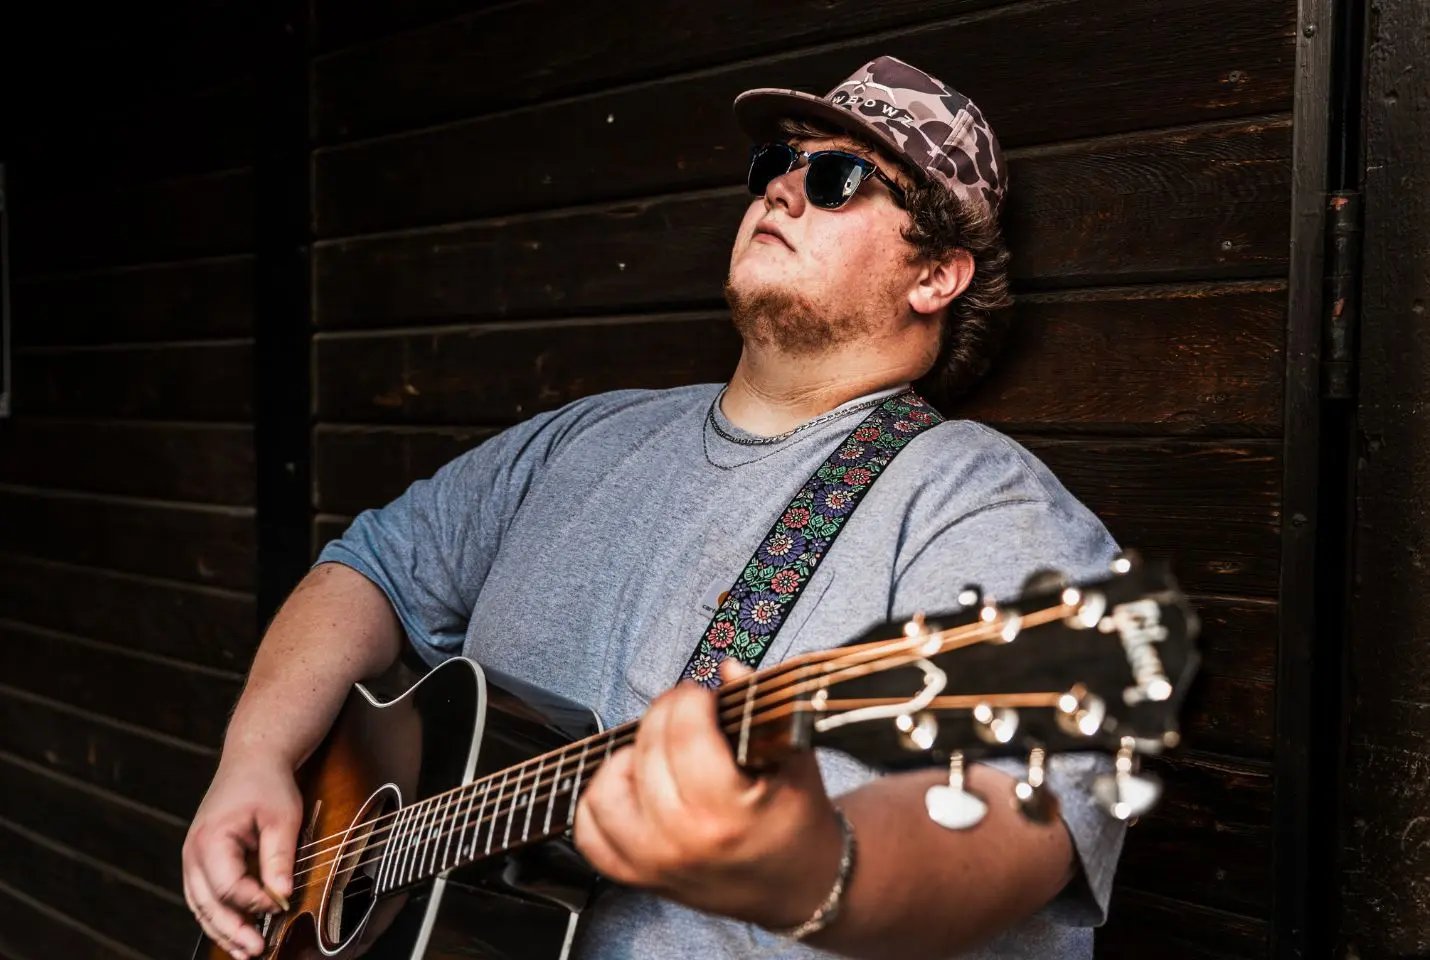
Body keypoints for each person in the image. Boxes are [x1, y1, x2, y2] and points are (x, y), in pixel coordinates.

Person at [182, 55, 1124, 960]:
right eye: (774, 166)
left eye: (838, 178)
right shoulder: (584, 439)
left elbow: (1023, 805)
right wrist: (255, 757)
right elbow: (375, 568)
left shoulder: (978, 500)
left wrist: (813, 868)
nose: (782, 192)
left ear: (936, 277)